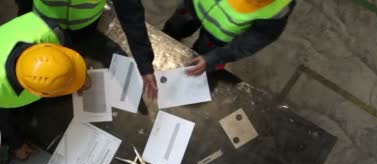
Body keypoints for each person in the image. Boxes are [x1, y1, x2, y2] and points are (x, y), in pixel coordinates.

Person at [0, 12, 89, 160]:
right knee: (14, 120)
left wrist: (79, 75)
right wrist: (16, 144)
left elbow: (68, 54)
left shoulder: (51, 31)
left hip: (6, 40)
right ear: (39, 93)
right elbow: (1, 120)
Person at [15, 0, 159, 99]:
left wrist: (144, 63)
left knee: (71, 59)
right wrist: (26, 23)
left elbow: (130, 12)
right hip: (43, 23)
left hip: (83, 27)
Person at [163, 0, 295, 76]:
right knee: (168, 35)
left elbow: (260, 35)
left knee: (197, 65)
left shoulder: (280, 6)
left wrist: (216, 57)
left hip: (218, 39)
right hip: (192, 6)